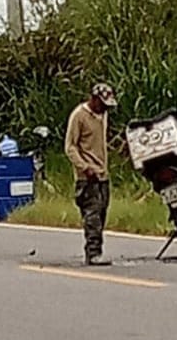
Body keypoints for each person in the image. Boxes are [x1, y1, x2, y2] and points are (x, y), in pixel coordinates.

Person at [65, 83, 118, 266]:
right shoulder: (79, 116)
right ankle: (93, 252)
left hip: (102, 174)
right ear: (94, 99)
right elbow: (70, 147)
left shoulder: (103, 116)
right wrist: (85, 167)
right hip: (87, 176)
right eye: (102, 104)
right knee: (92, 215)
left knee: (102, 213)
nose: (104, 109)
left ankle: (96, 250)